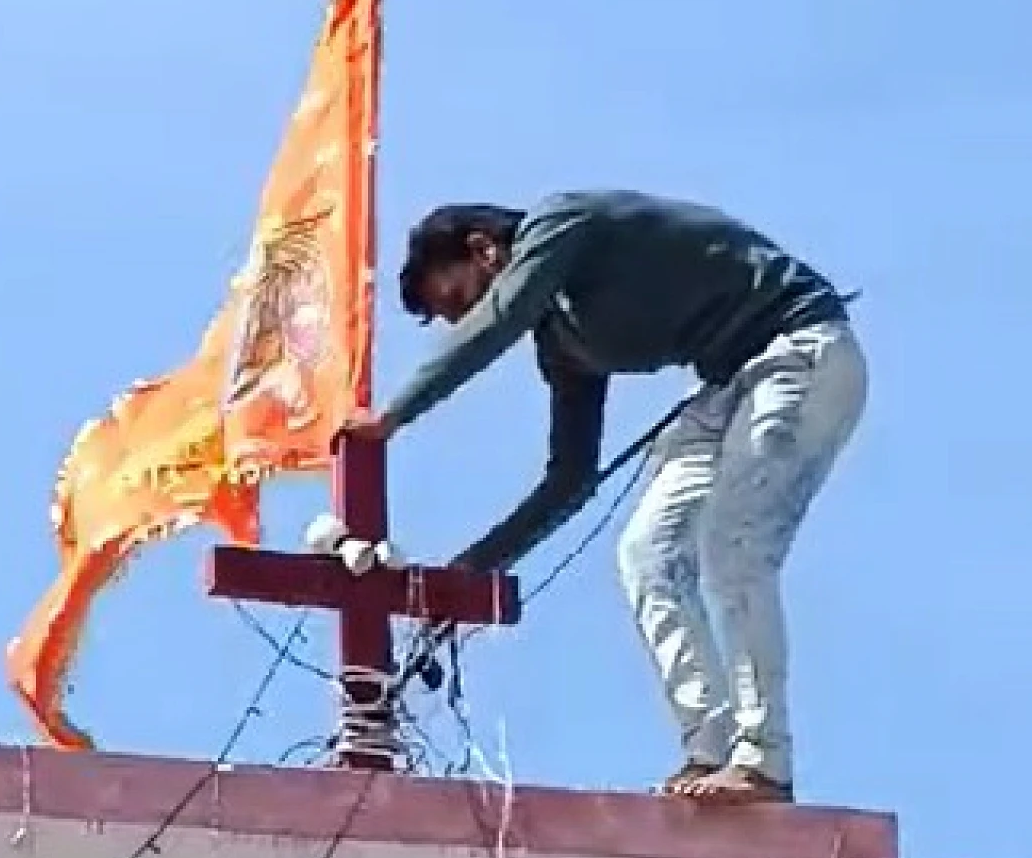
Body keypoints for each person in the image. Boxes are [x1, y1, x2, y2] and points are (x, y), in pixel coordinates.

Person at [341, 190, 867, 804]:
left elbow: (501, 319)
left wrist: (394, 417)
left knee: (735, 547)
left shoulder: (562, 224)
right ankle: (709, 753)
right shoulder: (563, 343)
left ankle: (764, 762)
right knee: (647, 555)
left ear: (484, 252)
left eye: (460, 299)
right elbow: (569, 478)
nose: (468, 321)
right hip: (727, 387)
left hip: (799, 352)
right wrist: (473, 568)